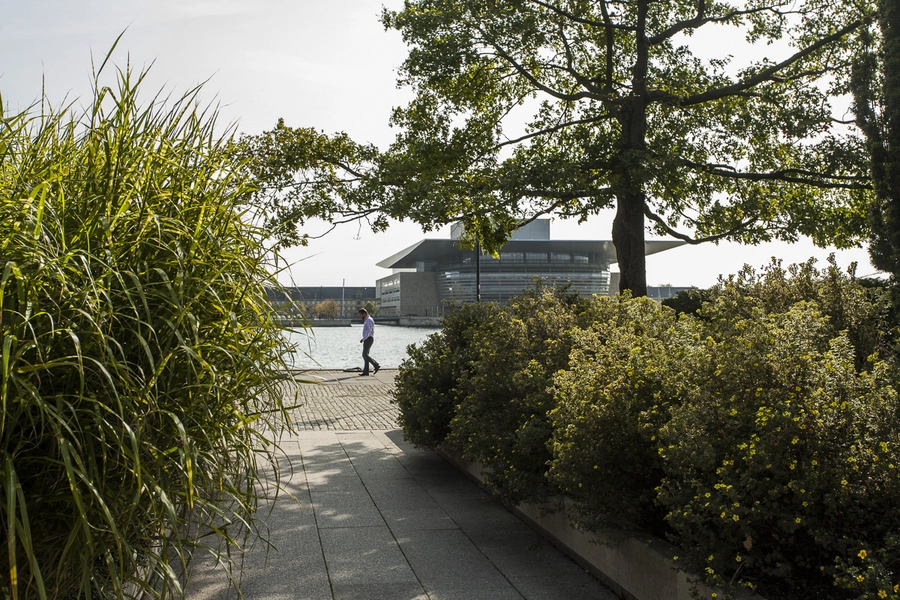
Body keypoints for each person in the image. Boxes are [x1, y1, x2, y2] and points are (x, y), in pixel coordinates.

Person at [358, 308, 380, 376]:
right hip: (367, 339)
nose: (360, 316)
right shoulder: (367, 320)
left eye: (361, 315)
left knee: (364, 355)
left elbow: (369, 330)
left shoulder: (369, 320)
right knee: (366, 356)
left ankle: (376, 364)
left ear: (364, 314)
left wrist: (363, 338)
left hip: (368, 338)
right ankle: (366, 371)